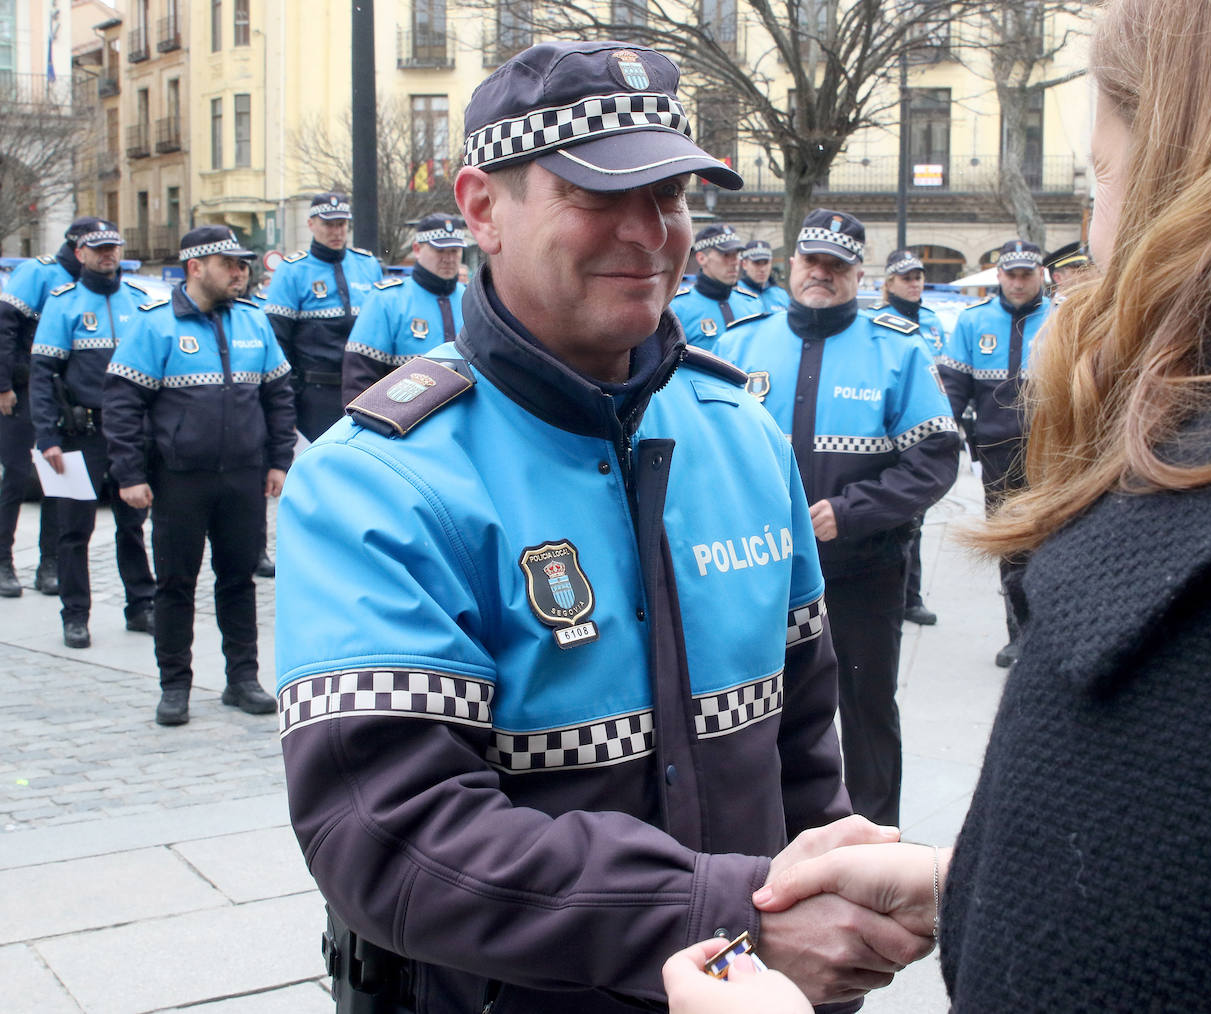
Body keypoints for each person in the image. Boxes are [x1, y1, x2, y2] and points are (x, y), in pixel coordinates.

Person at [672, 1, 1211, 1010]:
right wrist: (978, 885)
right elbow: (1201, 891)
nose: (1093, 229)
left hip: (865, 562)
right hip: (790, 563)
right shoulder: (742, 346)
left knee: (861, 718)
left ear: (1202, 183)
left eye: (1102, 174)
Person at [275, 40, 928, 1014]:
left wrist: (824, 943)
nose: (649, 232)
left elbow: (802, 745)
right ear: (482, 208)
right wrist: (721, 921)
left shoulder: (741, 436)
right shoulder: (377, 479)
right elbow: (391, 835)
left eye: (669, 198)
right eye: (599, 196)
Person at [716, 209, 960, 827]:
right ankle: (772, 834)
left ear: (858, 275)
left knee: (867, 707)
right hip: (758, 571)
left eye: (837, 267)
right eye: (812, 262)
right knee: (758, 707)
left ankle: (877, 837)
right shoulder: (739, 342)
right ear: (793, 263)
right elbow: (703, 448)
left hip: (865, 569)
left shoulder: (896, 350)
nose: (821, 275)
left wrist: (851, 512)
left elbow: (933, 461)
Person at [103, 226, 295, 726]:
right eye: (229, 264)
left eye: (243, 264)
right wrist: (129, 474)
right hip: (180, 479)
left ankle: (242, 678)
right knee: (175, 584)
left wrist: (279, 461)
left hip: (243, 478)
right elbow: (123, 404)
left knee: (238, 581)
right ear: (196, 267)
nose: (240, 272)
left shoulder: (255, 322)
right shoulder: (155, 325)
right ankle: (175, 685)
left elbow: (278, 397)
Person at [28, 222, 155, 649]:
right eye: (98, 249)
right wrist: (47, 437)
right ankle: (75, 614)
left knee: (132, 525)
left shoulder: (139, 301)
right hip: (77, 434)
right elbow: (43, 376)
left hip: (127, 434)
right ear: (79, 253)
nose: (107, 256)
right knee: (73, 530)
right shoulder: (63, 304)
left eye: (113, 248)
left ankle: (141, 605)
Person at [938, 239, 1049, 668]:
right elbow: (953, 389)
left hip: (1053, 452)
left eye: (1026, 274)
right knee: (1011, 546)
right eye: (1011, 274)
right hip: (999, 453)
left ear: (1040, 274)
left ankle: (1049, 633)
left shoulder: (1063, 318)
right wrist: (942, 441)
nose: (1018, 282)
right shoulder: (973, 322)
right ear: (999, 275)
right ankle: (1019, 635)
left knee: (1050, 541)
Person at [0, 218, 97, 598]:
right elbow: (4, 329)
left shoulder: (91, 285)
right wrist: (3, 385)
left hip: (63, 397)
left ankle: (50, 562)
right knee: (16, 475)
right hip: (22, 391)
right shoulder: (38, 273)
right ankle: (3, 561)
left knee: (58, 480)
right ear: (78, 249)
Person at [261, 192, 382, 441]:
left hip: (364, 389)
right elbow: (278, 340)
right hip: (314, 393)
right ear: (311, 224)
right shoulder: (292, 270)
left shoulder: (368, 265)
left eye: (341, 224)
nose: (336, 232)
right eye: (328, 224)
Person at [870, 248, 947, 628]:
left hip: (929, 423)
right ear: (889, 283)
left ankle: (910, 595)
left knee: (918, 518)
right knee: (901, 521)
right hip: (896, 432)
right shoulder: (879, 324)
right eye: (906, 278)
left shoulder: (932, 321)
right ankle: (903, 595)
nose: (914, 284)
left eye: (918, 277)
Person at [341, 212, 467, 405]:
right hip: (402, 423)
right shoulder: (386, 299)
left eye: (455, 251)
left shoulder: (471, 299)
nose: (449, 259)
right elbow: (360, 376)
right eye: (440, 251)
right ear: (417, 249)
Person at [670, 223, 763, 347]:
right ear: (702, 258)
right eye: (726, 255)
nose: (735, 261)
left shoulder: (753, 304)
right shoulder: (677, 308)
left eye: (736, 254)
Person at [737, 239, 789, 312]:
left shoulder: (781, 295)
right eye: (757, 263)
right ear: (744, 264)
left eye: (766, 263)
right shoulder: (735, 294)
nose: (762, 269)